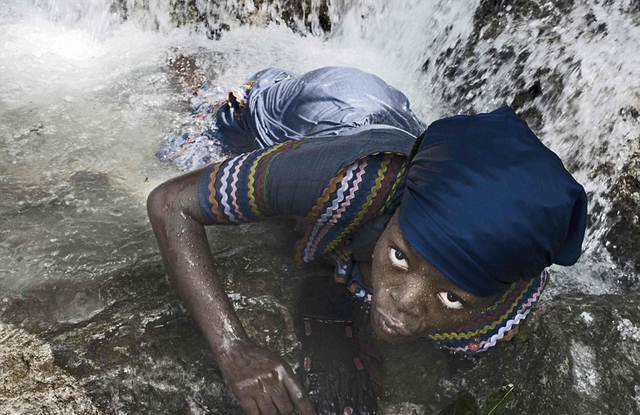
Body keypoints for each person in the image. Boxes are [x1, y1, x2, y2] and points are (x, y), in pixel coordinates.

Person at [148, 62, 587, 415]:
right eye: (399, 256)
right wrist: (232, 348)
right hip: (315, 108)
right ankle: (186, 66)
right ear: (396, 209)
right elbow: (170, 203)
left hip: (396, 119)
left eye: (452, 299)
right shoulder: (340, 178)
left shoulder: (512, 283)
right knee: (202, 125)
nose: (404, 304)